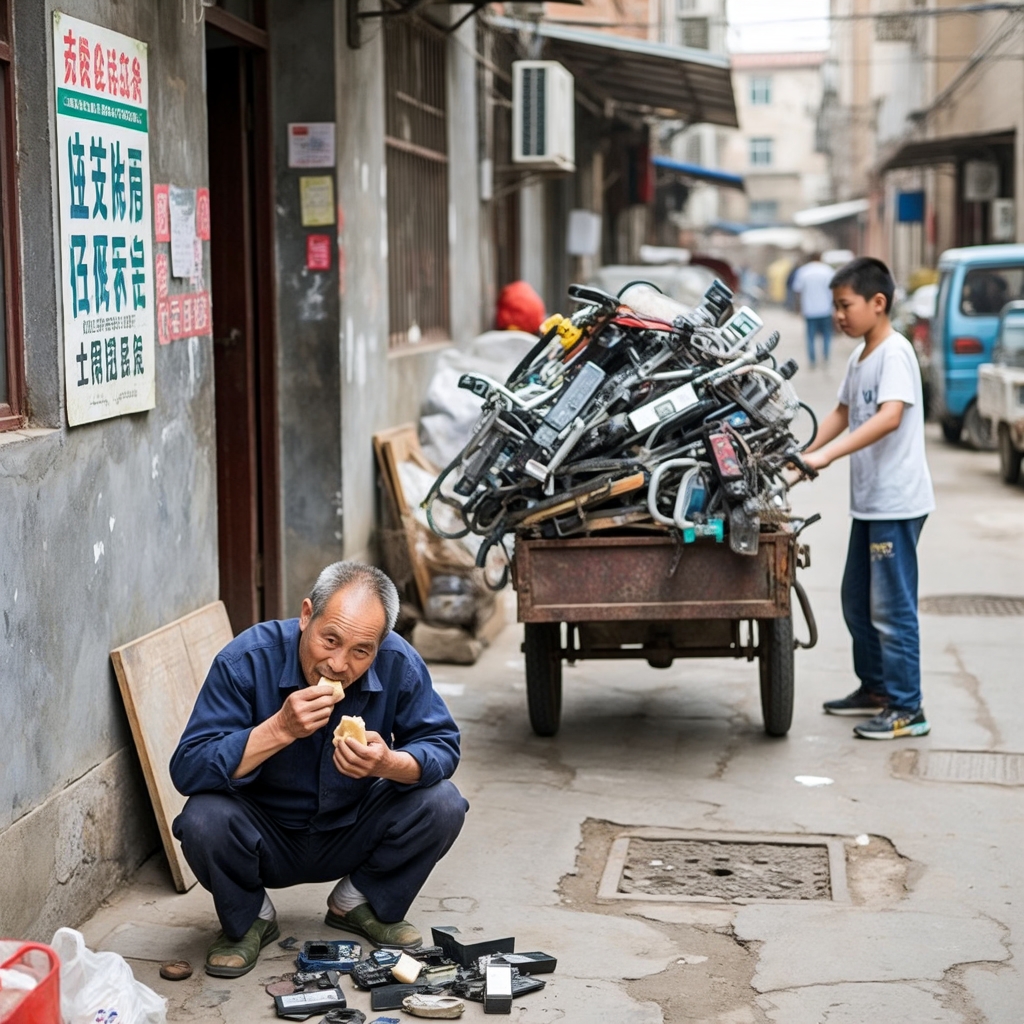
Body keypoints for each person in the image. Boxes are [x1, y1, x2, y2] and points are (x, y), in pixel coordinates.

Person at [170, 562, 468, 977]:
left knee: (443, 803)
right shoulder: (246, 659)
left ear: (380, 646)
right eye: (330, 640)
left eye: (361, 651)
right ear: (306, 615)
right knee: (203, 818)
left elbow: (442, 745)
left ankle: (357, 902)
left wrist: (390, 764)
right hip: (264, 835)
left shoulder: (400, 661)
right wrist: (277, 729)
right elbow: (188, 768)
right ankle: (251, 916)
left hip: (353, 830)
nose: (339, 663)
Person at [801, 257, 935, 740]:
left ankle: (907, 707)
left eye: (845, 305)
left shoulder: (894, 352)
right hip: (871, 503)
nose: (838, 315)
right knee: (857, 601)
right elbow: (841, 411)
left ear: (878, 303)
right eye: (835, 306)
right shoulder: (861, 357)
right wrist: (801, 456)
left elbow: (888, 417)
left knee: (891, 608)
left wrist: (828, 457)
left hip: (897, 503)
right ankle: (876, 688)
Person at [792, 254, 836, 367]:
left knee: (810, 336)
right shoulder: (828, 271)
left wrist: (798, 307)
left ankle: (812, 360)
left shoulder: (803, 271)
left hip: (810, 310)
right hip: (826, 309)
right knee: (827, 335)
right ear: (820, 258)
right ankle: (826, 356)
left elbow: (797, 290)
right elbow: (834, 290)